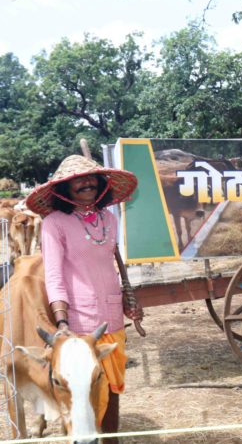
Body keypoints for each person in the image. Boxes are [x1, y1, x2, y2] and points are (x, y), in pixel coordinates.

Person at [26, 154, 143, 443]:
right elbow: (54, 276)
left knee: (113, 388)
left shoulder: (109, 219)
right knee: (81, 393)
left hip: (111, 320)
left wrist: (127, 300)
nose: (85, 183)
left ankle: (111, 439)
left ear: (101, 182)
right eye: (76, 180)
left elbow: (108, 268)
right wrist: (62, 321)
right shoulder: (54, 223)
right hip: (77, 323)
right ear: (63, 189)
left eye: (90, 177)